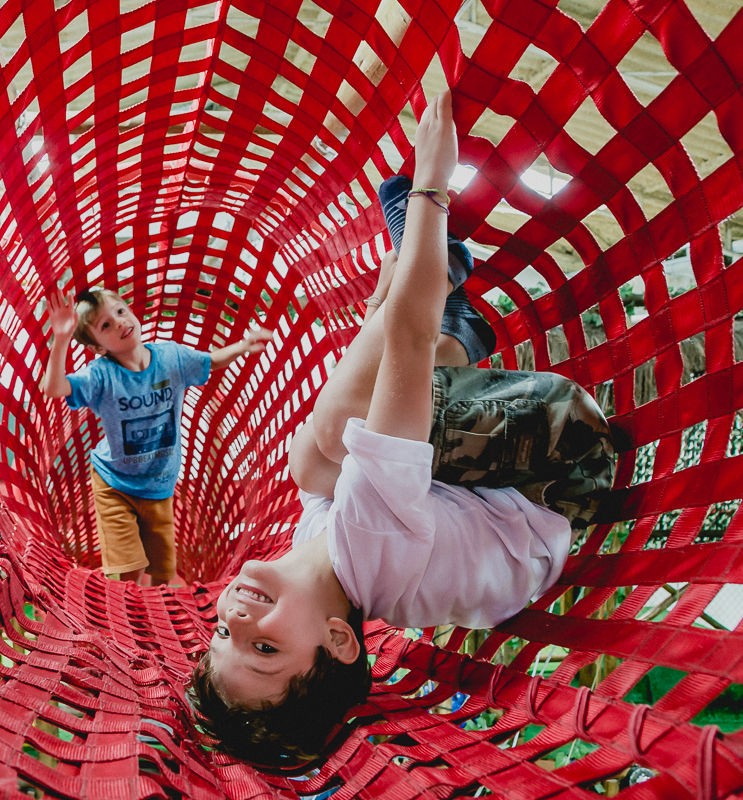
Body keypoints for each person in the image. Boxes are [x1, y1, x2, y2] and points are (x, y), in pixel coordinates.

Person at [188, 90, 616, 765]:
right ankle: (445, 290)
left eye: (222, 636)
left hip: (495, 494)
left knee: (316, 460)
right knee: (340, 430)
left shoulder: (325, 556)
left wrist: (384, 305)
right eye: (265, 647)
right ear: (339, 639)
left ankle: (458, 325)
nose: (237, 621)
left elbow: (368, 410)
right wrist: (431, 188)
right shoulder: (371, 542)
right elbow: (405, 350)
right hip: (567, 464)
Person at [42, 287, 273, 585]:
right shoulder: (101, 375)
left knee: (163, 572)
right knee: (130, 570)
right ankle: (130, 619)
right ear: (98, 347)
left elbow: (209, 361)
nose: (120, 322)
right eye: (106, 325)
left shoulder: (171, 358)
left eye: (121, 312)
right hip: (114, 483)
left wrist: (243, 346)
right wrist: (61, 339)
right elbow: (55, 389)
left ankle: (156, 617)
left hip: (159, 483)